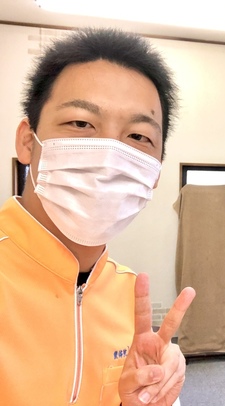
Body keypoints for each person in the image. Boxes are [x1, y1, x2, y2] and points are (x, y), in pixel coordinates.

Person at [0, 27, 196, 405]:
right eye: (81, 123)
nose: (109, 156)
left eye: (138, 137)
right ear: (27, 141)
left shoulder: (128, 296)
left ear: (155, 172)